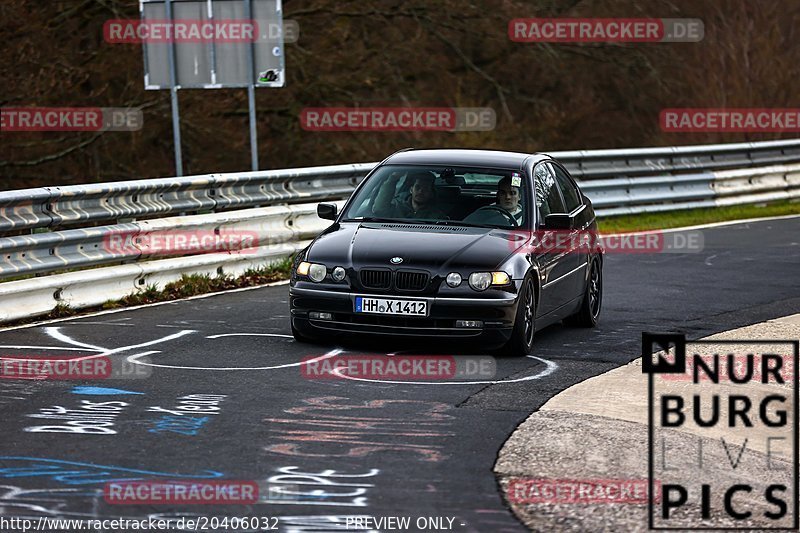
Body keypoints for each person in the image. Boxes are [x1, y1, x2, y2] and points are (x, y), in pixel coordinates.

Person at [372, 171, 448, 219]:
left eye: (426, 188)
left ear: (431, 193)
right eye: (418, 187)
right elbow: (378, 210)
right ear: (411, 190)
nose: (421, 191)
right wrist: (393, 178)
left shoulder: (437, 217)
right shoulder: (396, 206)